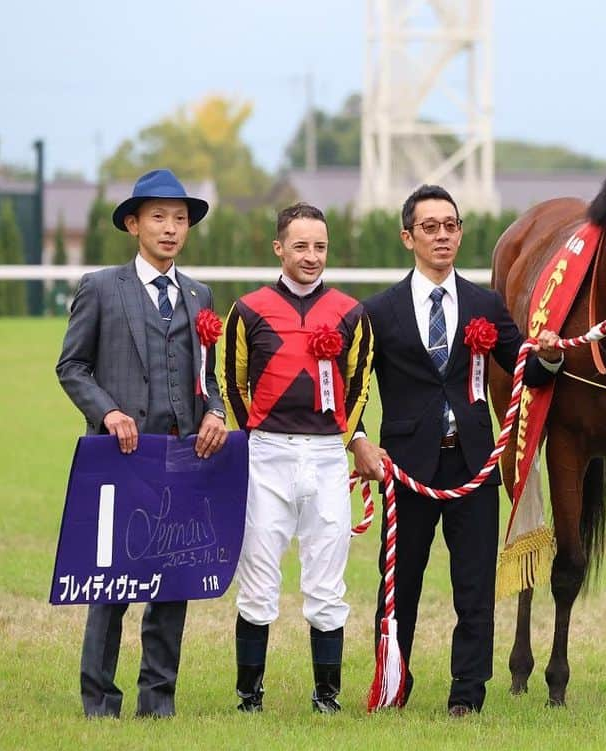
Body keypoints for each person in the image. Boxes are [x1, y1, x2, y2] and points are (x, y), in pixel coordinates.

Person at [350, 184, 563, 716]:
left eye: (451, 226)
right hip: (406, 468)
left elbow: (527, 369)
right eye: (430, 227)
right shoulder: (378, 311)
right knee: (400, 586)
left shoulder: (485, 305)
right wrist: (358, 442)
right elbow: (350, 386)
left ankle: (467, 695)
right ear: (408, 237)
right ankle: (394, 684)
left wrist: (552, 357)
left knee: (474, 589)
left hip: (472, 464)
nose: (442, 236)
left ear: (460, 232)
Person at [56, 168, 228, 718]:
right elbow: (72, 365)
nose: (170, 228)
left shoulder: (200, 295)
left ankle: (159, 701)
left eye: (179, 219)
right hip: (119, 461)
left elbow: (211, 377)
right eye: (158, 217)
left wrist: (217, 412)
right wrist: (107, 410)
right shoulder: (101, 287)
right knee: (111, 586)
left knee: (171, 582)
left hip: (182, 460)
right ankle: (99, 701)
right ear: (133, 224)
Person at [221, 202, 374, 714]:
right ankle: (249, 696)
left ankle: (326, 697)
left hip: (328, 458)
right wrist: (255, 437)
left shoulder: (352, 313)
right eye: (301, 246)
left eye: (321, 247)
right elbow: (232, 383)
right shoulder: (247, 310)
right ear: (279, 248)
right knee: (259, 579)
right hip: (266, 456)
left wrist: (342, 437)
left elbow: (359, 388)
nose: (312, 256)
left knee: (327, 581)